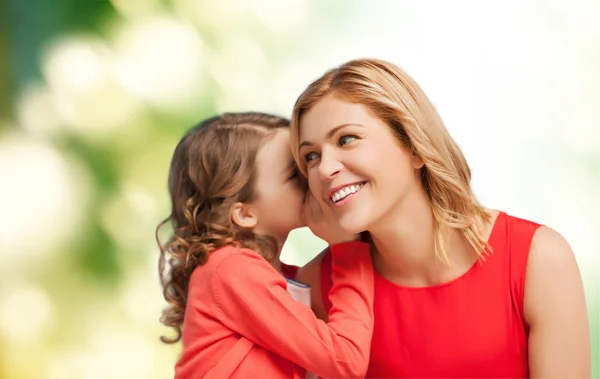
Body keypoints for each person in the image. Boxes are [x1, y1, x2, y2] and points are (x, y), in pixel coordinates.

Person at [290, 59, 591, 378]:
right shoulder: (316, 286)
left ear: (415, 146)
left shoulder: (538, 260)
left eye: (346, 139)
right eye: (311, 156)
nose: (324, 169)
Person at [156, 112, 374, 378]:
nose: (315, 175)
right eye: (295, 174)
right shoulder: (231, 269)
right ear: (244, 213)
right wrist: (347, 248)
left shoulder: (283, 277)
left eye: (308, 161)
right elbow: (345, 362)